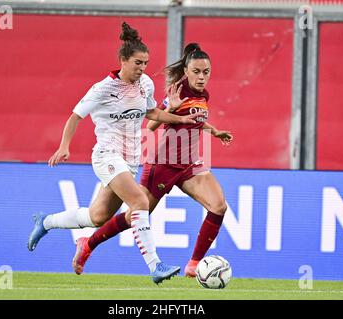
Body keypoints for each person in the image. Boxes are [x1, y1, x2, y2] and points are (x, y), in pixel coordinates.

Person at [27, 22, 203, 284]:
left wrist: (180, 120)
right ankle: (155, 266)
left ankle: (47, 222)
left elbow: (151, 113)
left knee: (97, 217)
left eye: (145, 63)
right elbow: (75, 116)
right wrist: (64, 146)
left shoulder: (145, 85)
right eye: (137, 63)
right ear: (123, 60)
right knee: (140, 202)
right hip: (107, 155)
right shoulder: (102, 89)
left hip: (130, 160)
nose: (142, 68)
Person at [70, 43, 233, 278]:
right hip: (164, 164)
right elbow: (152, 123)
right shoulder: (177, 91)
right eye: (196, 72)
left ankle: (194, 264)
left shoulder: (203, 94)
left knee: (218, 206)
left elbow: (195, 119)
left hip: (190, 164)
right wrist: (172, 107)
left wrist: (214, 131)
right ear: (186, 71)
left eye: (206, 72)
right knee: (134, 215)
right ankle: (88, 243)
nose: (201, 77)